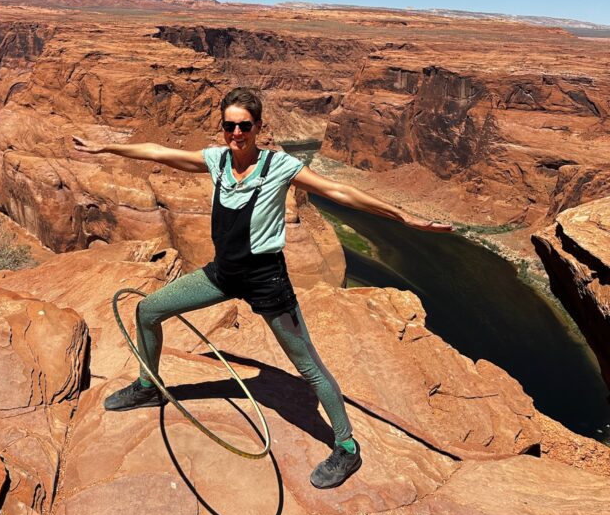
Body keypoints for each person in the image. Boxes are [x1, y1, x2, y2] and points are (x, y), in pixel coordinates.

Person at [73, 86, 452, 489]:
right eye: (230, 125)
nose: (237, 133)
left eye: (245, 126)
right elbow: (159, 153)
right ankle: (149, 386)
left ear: (258, 126)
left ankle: (347, 448)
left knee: (309, 366)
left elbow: (339, 190)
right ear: (223, 127)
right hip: (222, 275)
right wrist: (104, 150)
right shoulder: (216, 160)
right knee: (147, 311)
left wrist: (400, 216)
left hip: (266, 282)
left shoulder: (280, 167)